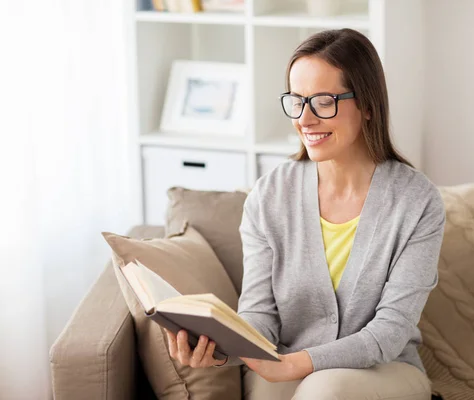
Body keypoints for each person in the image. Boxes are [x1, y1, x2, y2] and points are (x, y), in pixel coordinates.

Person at [165, 28, 446, 400]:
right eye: (296, 101)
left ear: (368, 106)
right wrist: (218, 350)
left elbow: (390, 332)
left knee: (324, 390)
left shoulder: (416, 201)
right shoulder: (269, 195)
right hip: (285, 364)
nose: (305, 119)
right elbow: (259, 316)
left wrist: (299, 363)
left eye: (323, 101)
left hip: (384, 370)